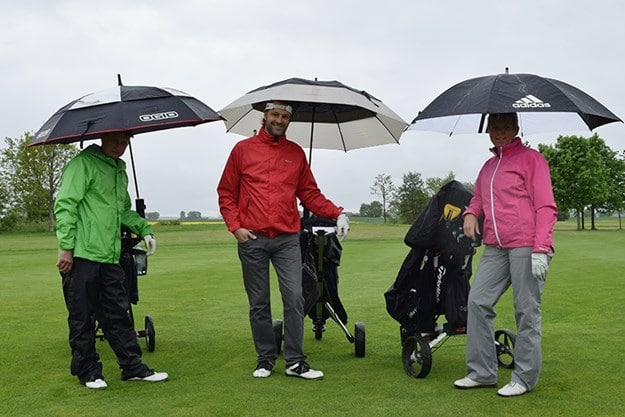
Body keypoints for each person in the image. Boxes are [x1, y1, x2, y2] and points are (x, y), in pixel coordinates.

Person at [217, 101, 349, 380]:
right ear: (264, 116)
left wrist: (337, 213)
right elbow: (226, 193)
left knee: (295, 297)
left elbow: (310, 194)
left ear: (289, 120)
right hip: (251, 237)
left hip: (287, 237)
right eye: (275, 114)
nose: (279, 120)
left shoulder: (295, 153)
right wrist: (235, 227)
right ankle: (265, 359)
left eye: (285, 116)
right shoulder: (243, 150)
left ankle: (294, 362)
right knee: (259, 302)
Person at [453, 113, 557, 397]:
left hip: (527, 245)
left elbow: (546, 206)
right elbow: (477, 199)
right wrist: (472, 214)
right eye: (494, 127)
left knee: (526, 310)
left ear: (516, 128)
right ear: (488, 130)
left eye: (505, 127)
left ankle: (523, 378)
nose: (499, 132)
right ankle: (483, 373)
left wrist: (541, 248)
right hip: (495, 247)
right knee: (476, 303)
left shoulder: (532, 160)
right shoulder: (488, 167)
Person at [55, 132, 168, 389]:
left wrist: (145, 229)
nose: (120, 147)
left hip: (110, 256)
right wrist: (66, 248)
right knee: (82, 317)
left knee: (118, 314)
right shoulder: (82, 164)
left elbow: (123, 211)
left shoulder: (119, 171)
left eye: (125, 142)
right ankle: (88, 372)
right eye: (115, 141)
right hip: (83, 254)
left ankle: (132, 367)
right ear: (103, 138)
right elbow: (65, 205)